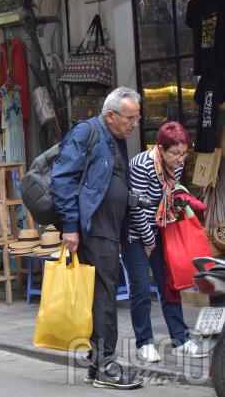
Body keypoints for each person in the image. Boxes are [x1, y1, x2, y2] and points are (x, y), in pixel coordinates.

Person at [52, 87, 143, 390]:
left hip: (111, 228)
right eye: (130, 118)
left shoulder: (116, 138)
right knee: (104, 297)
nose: (135, 123)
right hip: (95, 227)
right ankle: (105, 366)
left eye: (137, 117)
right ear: (110, 115)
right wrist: (70, 225)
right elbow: (62, 179)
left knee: (102, 295)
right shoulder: (87, 133)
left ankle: (98, 365)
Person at [124, 121, 207, 362]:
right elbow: (135, 208)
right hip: (136, 232)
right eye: (174, 153)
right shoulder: (142, 165)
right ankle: (144, 342)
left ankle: (180, 338)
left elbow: (170, 195)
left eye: (184, 153)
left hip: (162, 227)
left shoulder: (176, 165)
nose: (180, 159)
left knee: (170, 284)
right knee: (140, 287)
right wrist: (149, 241)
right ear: (160, 148)